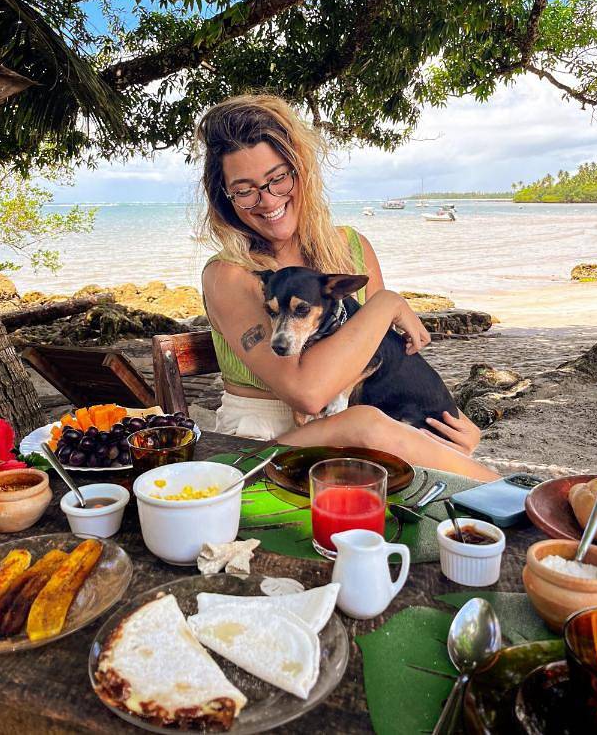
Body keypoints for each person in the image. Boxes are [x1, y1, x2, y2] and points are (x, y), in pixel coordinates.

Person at [198, 94, 498, 481]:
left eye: (278, 178)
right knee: (365, 425)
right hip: (264, 444)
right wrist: (386, 304)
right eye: (244, 190)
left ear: (300, 170)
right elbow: (308, 393)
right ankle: (516, 499)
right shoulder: (230, 275)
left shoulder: (352, 249)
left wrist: (451, 422)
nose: (267, 200)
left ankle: (517, 501)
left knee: (381, 432)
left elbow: (388, 361)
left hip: (366, 433)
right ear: (226, 198)